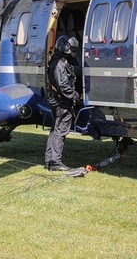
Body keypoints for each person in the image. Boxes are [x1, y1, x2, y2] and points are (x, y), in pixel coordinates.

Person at [45, 35, 80, 171]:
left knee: (55, 130)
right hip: (61, 101)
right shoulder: (60, 64)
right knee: (61, 130)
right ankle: (55, 161)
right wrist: (74, 95)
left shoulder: (57, 61)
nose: (73, 51)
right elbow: (63, 85)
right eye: (72, 48)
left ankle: (49, 160)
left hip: (56, 99)